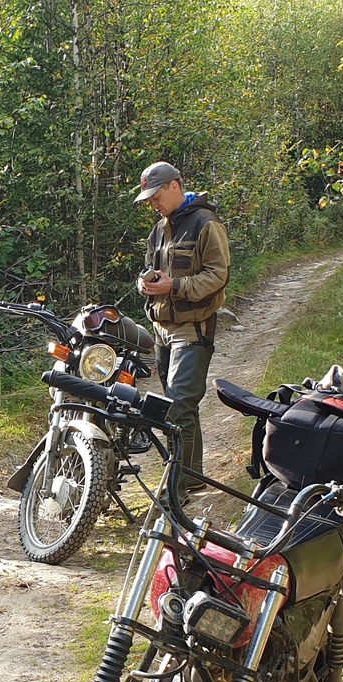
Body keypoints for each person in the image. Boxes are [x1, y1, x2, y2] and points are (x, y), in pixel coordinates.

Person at [134, 161, 229, 483]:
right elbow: (149, 266)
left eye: (156, 197)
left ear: (175, 186)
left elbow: (218, 275)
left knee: (178, 408)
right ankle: (191, 477)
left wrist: (173, 286)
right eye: (148, 200)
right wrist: (145, 284)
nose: (152, 205)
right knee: (179, 409)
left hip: (193, 328)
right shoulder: (160, 228)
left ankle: (177, 487)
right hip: (161, 328)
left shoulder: (206, 222)